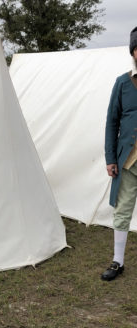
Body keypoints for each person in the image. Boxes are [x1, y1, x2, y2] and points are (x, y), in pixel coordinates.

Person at [101, 27, 137, 281]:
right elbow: (111, 123)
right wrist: (111, 158)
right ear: (133, 52)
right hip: (128, 160)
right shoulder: (122, 83)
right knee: (123, 210)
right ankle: (117, 261)